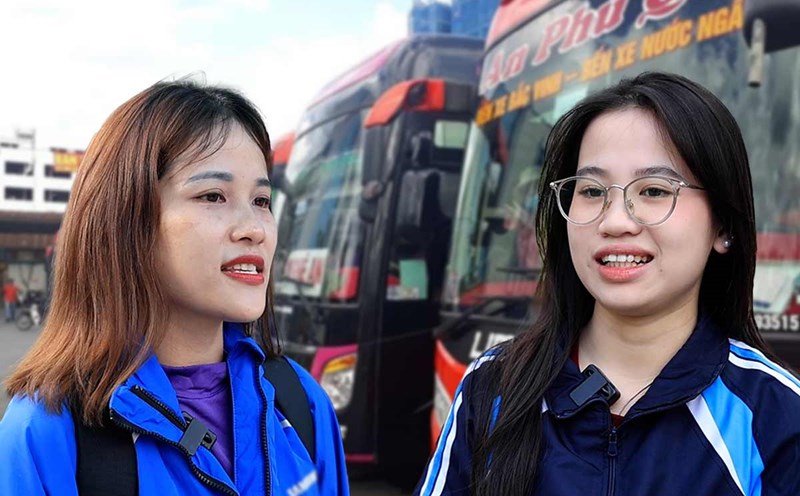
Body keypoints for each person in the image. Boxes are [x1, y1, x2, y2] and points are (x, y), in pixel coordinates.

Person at [416, 72, 800, 495]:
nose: (615, 221)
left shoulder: (777, 414)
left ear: (723, 225)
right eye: (592, 191)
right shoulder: (492, 387)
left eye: (654, 190)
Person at [0, 79, 349, 495]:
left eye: (261, 201)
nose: (254, 229)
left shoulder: (300, 401)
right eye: (214, 196)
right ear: (126, 222)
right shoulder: (47, 431)